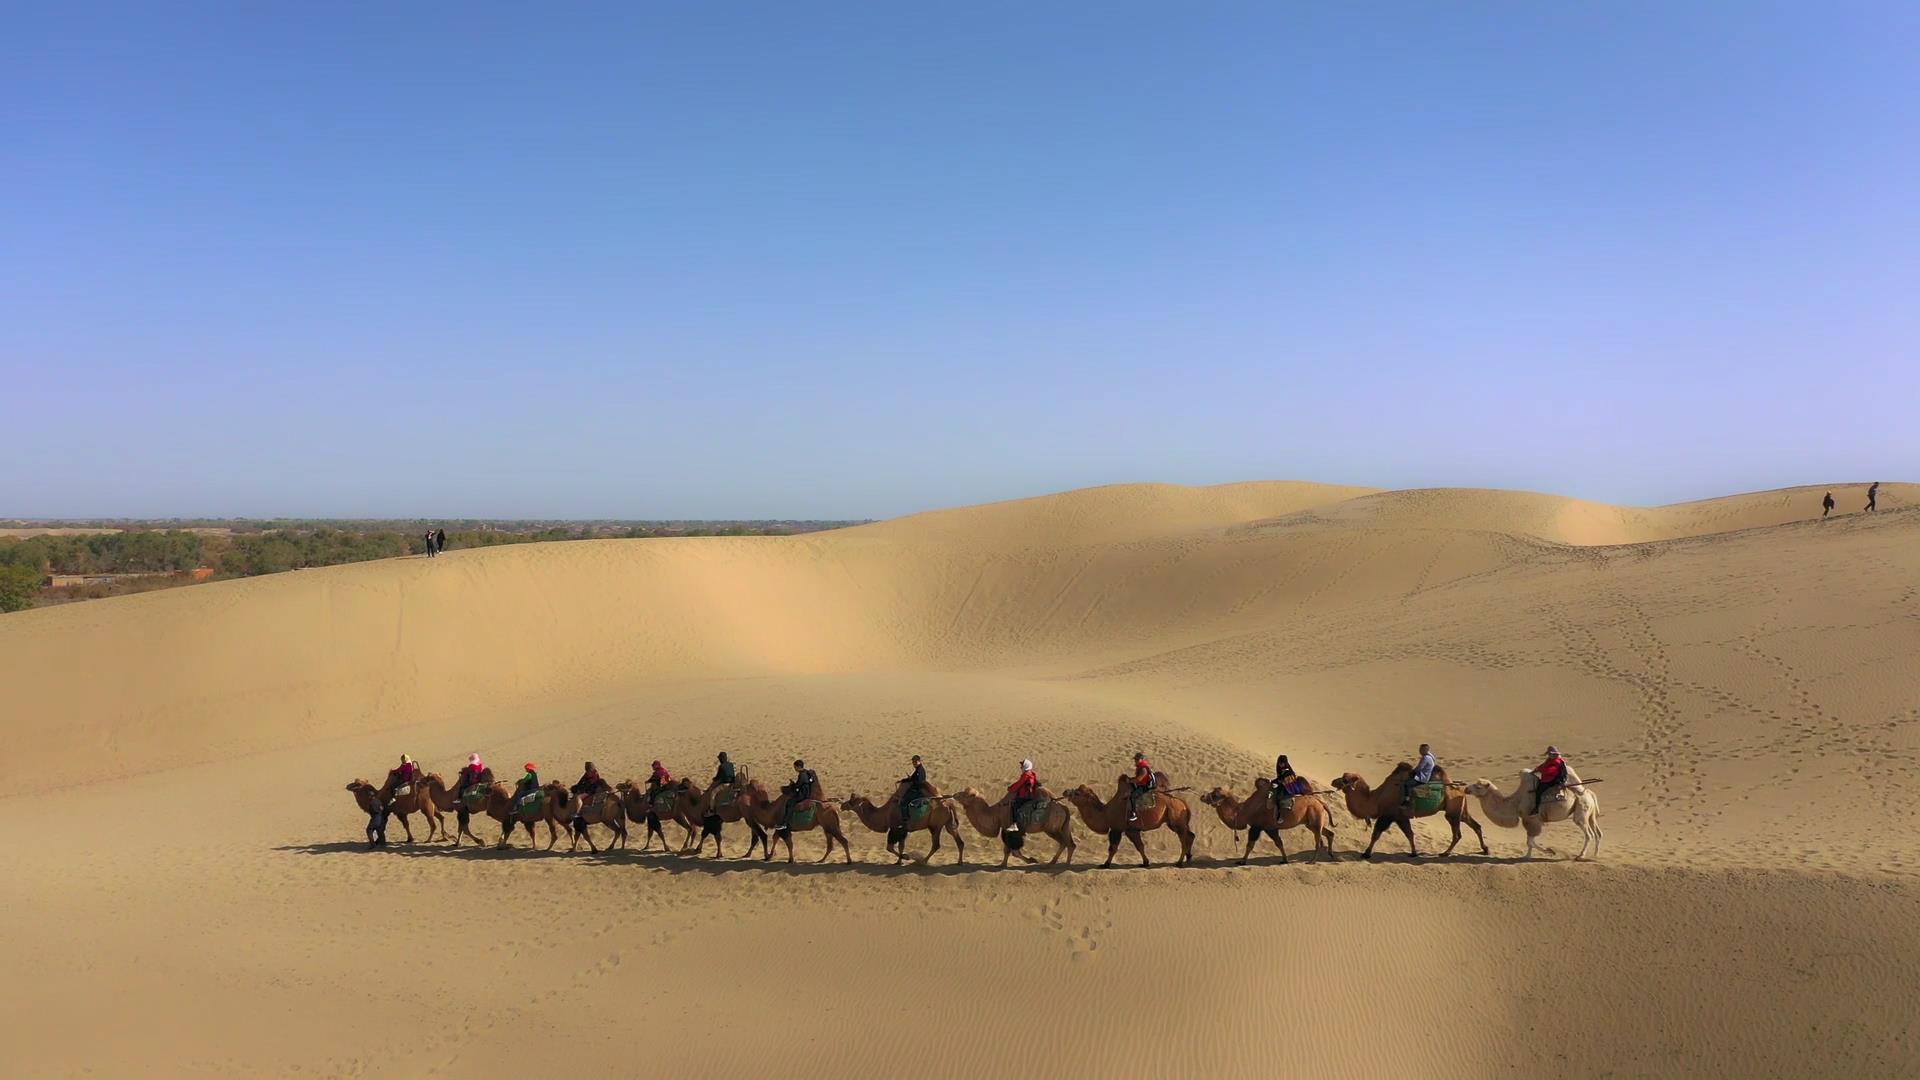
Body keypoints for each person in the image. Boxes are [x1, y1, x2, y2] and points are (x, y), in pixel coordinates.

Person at [782, 759, 818, 831]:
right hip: (807, 793)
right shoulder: (807, 773)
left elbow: (798, 786)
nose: (795, 769)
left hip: (803, 795)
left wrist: (792, 784)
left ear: (798, 767)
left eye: (795, 767)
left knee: (789, 803)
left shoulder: (802, 775)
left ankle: (785, 823)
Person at [1531, 746, 1567, 815]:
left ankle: (1536, 809)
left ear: (1554, 754)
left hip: (1553, 780)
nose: (1549, 755)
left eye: (1550, 754)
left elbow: (1548, 771)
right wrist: (1536, 770)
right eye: (1549, 754)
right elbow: (1543, 766)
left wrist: (1539, 770)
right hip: (1547, 778)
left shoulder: (1557, 762)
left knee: (1538, 791)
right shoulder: (1550, 760)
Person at [1007, 759, 1039, 833]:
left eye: (1022, 766)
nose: (1021, 767)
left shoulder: (1026, 775)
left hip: (1025, 796)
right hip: (1028, 795)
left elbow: (1018, 784)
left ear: (1026, 767)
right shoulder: (1030, 773)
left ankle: (1014, 824)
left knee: (1014, 805)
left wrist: (1010, 789)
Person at [896, 755, 929, 820]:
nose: (914, 764)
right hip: (918, 789)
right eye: (913, 762)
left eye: (915, 762)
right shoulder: (918, 769)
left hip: (918, 791)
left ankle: (905, 819)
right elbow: (912, 778)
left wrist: (911, 782)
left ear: (919, 761)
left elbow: (918, 782)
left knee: (903, 801)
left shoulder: (919, 771)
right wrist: (903, 780)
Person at [1128, 751, 1155, 823]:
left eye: (1137, 759)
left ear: (1141, 760)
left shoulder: (1143, 769)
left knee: (1132, 796)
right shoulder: (1141, 767)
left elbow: (1138, 779)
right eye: (1135, 759)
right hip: (1141, 784)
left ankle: (1134, 814)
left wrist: (1129, 780)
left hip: (1145, 786)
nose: (1135, 761)